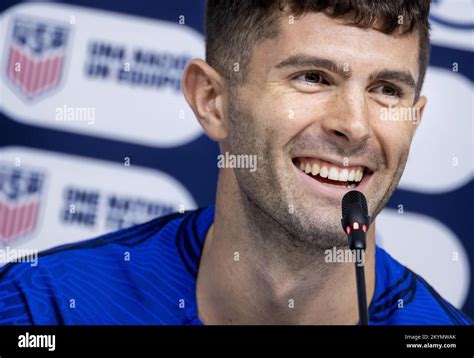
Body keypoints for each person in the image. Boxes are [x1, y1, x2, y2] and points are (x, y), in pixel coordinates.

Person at [0, 0, 471, 325]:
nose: (355, 125)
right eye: (313, 77)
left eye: (387, 90)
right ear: (212, 101)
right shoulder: (43, 306)